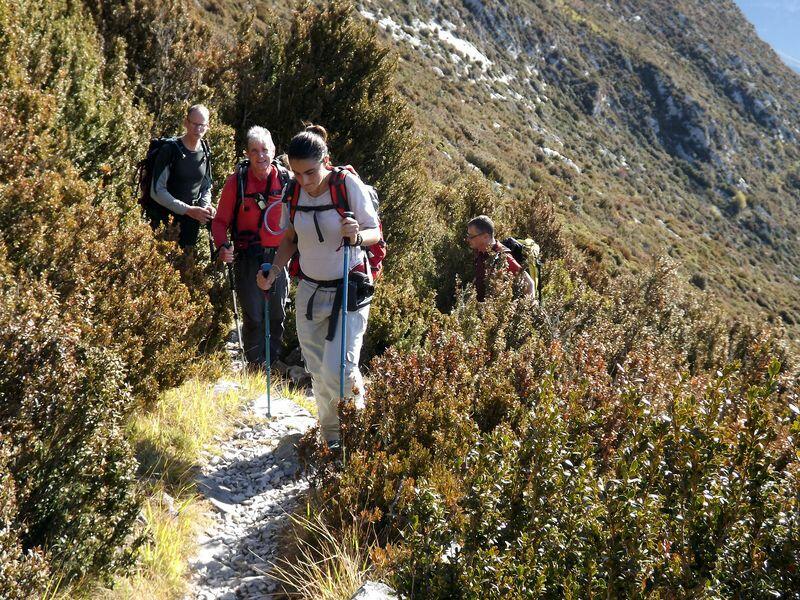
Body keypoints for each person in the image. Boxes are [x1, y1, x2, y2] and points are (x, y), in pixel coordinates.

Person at [256, 125, 380, 449]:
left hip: (349, 288)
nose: (304, 181)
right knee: (316, 369)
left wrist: (356, 235)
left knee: (340, 369)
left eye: (310, 172)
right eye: (297, 173)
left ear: (325, 161)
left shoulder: (346, 185)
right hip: (310, 291)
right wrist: (274, 271)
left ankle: (356, 434)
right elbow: (290, 239)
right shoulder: (293, 191)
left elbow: (374, 233)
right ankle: (331, 436)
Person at [212, 126, 290, 368]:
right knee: (254, 316)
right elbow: (220, 222)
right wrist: (223, 245)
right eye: (254, 150)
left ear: (273, 151)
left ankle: (272, 363)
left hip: (278, 256)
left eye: (265, 149)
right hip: (246, 256)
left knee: (276, 313)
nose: (260, 155)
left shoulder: (286, 180)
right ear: (247, 153)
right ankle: (255, 365)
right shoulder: (236, 183)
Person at [149, 104, 215, 247]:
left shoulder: (205, 150)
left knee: (186, 260)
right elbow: (157, 191)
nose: (198, 129)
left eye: (202, 125)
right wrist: (188, 210)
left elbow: (206, 186)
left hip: (190, 228)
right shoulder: (170, 150)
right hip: (164, 225)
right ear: (186, 122)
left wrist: (206, 206)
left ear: (208, 126)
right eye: (194, 124)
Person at [466, 215, 535, 301]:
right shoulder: (480, 250)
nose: (468, 239)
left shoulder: (503, 257)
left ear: (485, 236)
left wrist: (528, 305)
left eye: (471, 236)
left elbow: (529, 283)